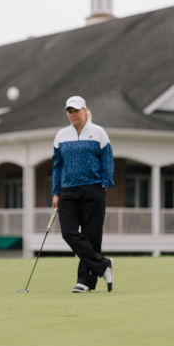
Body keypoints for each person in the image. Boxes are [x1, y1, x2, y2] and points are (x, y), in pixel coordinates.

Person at [52, 96, 115, 293]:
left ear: (84, 111)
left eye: (76, 111)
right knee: (68, 232)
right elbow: (57, 165)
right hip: (68, 191)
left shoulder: (98, 132)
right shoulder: (61, 135)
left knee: (92, 236)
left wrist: (105, 183)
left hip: (93, 188)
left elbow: (108, 158)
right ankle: (103, 265)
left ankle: (85, 281)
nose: (73, 115)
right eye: (69, 111)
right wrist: (56, 192)